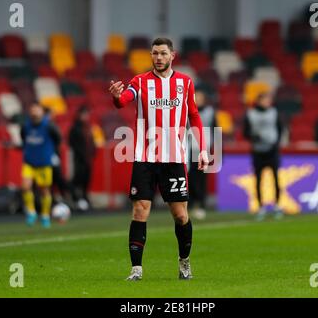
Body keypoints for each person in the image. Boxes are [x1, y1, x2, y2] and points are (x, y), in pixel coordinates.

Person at [109, 37, 209, 281]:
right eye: (155, 53)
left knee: (180, 215)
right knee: (140, 210)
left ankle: (184, 262)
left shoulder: (185, 83)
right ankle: (136, 269)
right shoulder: (140, 81)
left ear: (172, 55)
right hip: (145, 157)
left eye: (163, 53)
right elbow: (124, 101)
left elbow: (193, 116)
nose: (158, 58)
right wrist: (116, 96)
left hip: (174, 158)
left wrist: (203, 149)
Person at [243, 92, 284, 221]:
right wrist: (254, 137)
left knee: (276, 178)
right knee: (258, 180)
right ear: (259, 100)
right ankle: (261, 207)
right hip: (258, 151)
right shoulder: (250, 114)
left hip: (272, 151)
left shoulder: (274, 112)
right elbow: (245, 132)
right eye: (265, 100)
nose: (267, 102)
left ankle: (277, 205)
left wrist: (275, 144)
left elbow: (280, 129)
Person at [20, 103, 61, 228]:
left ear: (42, 112)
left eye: (36, 110)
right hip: (29, 163)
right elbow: (23, 138)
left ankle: (44, 215)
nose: (34, 112)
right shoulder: (26, 126)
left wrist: (51, 152)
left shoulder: (49, 126)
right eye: (32, 109)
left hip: (44, 164)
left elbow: (58, 139)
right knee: (25, 187)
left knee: (44, 191)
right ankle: (31, 212)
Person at [188, 88, 215, 220]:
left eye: (200, 97)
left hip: (204, 149)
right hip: (190, 147)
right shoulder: (187, 110)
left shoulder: (210, 112)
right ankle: (192, 204)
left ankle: (202, 205)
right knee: (191, 177)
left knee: (202, 178)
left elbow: (215, 129)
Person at [68, 105, 95, 211]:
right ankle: (76, 199)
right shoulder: (75, 128)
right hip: (79, 159)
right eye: (84, 114)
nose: (86, 116)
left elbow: (91, 142)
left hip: (88, 159)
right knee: (77, 179)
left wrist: (92, 152)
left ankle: (84, 198)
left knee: (86, 180)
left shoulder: (88, 127)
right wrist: (81, 154)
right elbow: (72, 143)